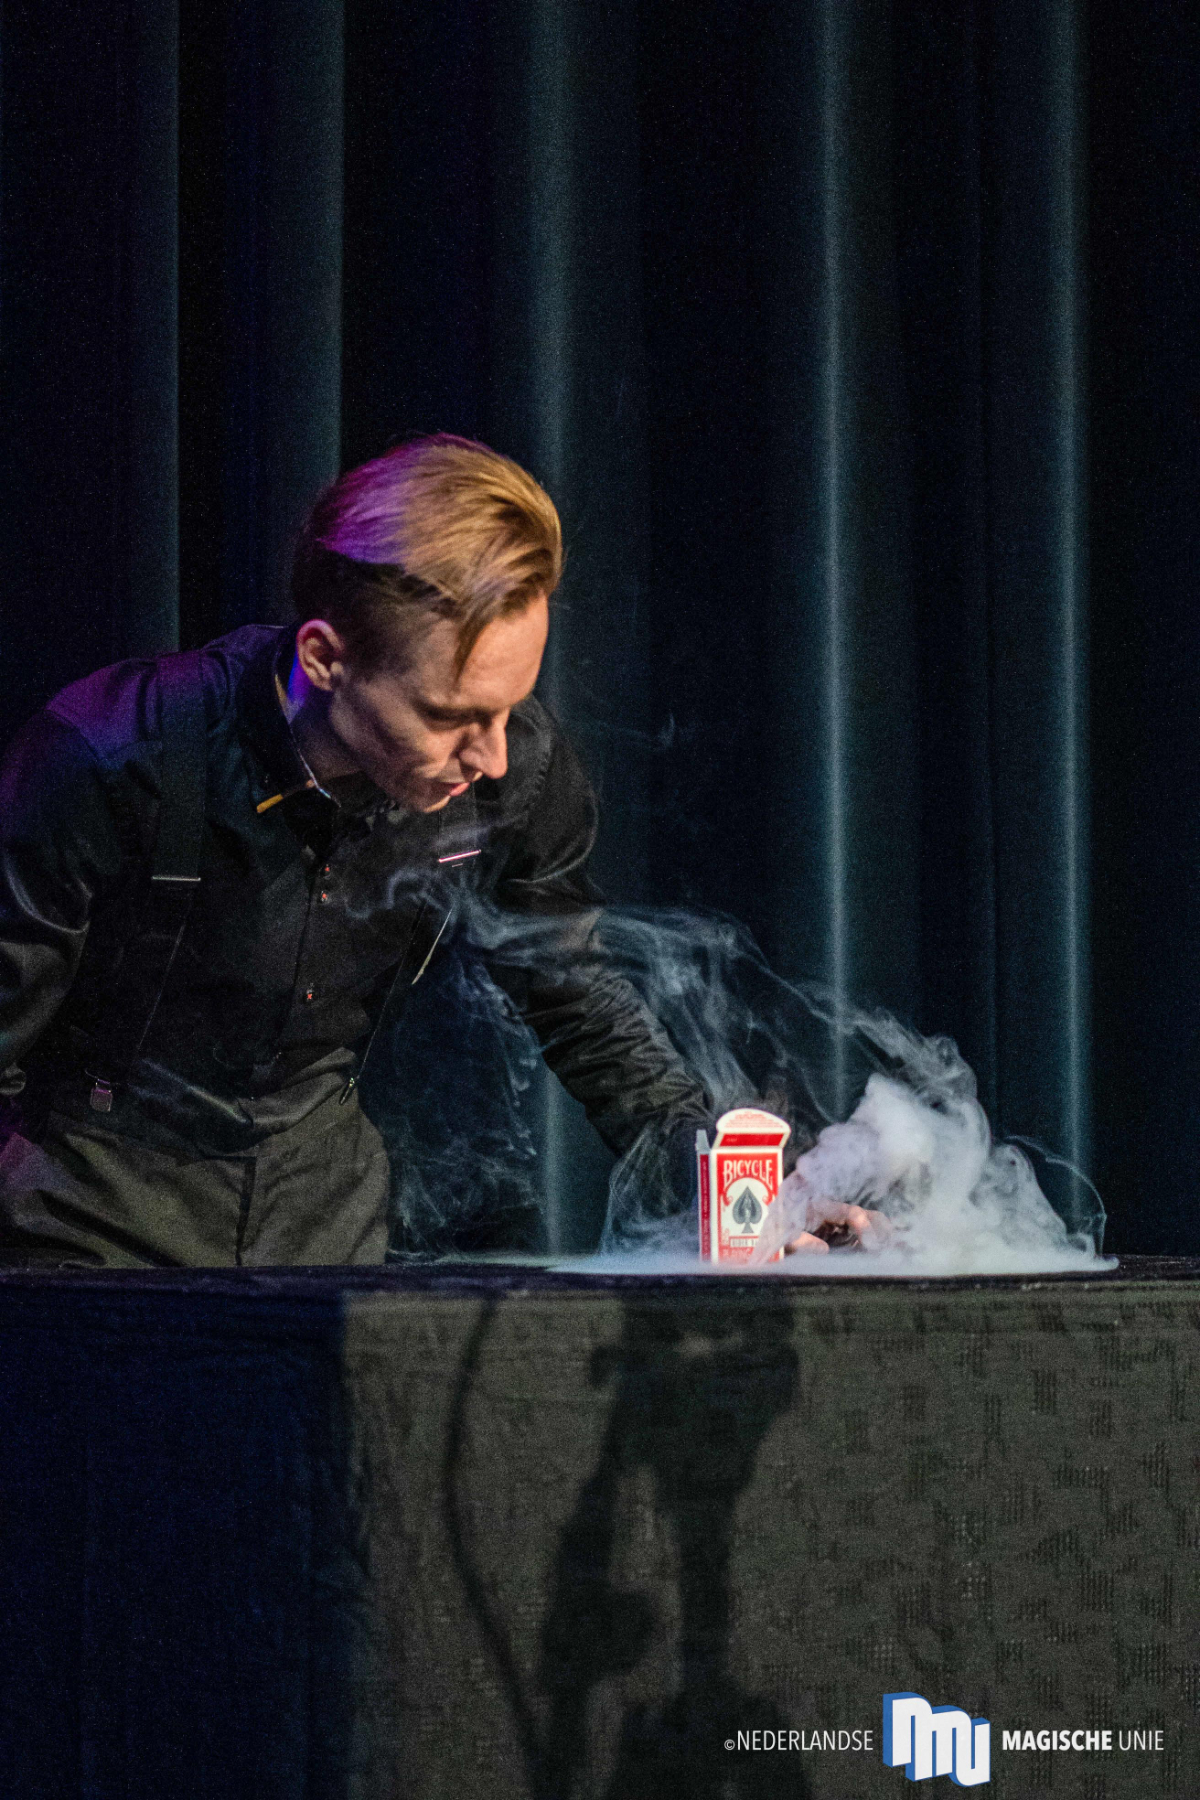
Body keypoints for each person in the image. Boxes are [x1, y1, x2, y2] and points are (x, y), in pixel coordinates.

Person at [0, 435, 711, 1267]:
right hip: (89, 1226)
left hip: (325, 1234)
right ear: (325, 659)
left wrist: (731, 1194)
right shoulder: (117, 755)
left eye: (508, 708)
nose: (492, 756)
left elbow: (580, 998)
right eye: (448, 716)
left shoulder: (513, 772)